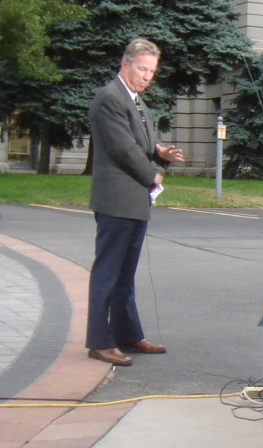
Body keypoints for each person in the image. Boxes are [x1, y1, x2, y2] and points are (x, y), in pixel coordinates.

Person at [86, 38, 184, 366]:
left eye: (151, 71)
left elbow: (145, 146)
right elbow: (123, 149)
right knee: (107, 273)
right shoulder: (109, 98)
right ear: (124, 64)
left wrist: (163, 157)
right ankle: (100, 342)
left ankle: (127, 335)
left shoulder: (140, 104)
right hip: (115, 200)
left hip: (135, 202)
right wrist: (153, 175)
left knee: (125, 275)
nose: (146, 76)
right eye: (142, 68)